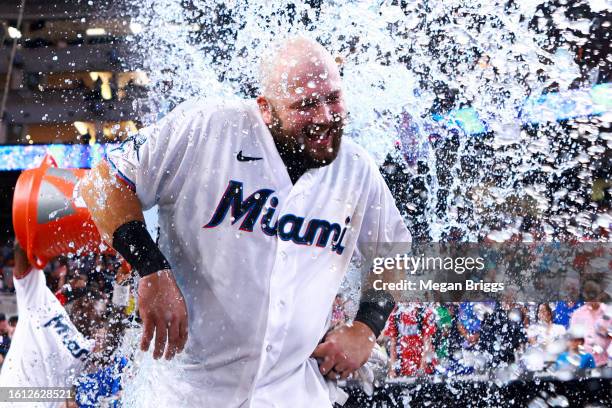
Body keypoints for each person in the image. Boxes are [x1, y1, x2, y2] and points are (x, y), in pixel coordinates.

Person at [81, 37, 411, 407]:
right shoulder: (209, 127)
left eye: (332, 98)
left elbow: (394, 253)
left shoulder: (356, 169)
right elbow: (104, 181)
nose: (323, 117)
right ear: (266, 109)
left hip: (294, 392)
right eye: (305, 105)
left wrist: (367, 327)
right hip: (189, 392)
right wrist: (151, 268)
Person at [0, 242, 94, 406]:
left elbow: (66, 398)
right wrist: (33, 224)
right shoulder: (40, 300)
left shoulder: (86, 345)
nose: (87, 306)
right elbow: (21, 248)